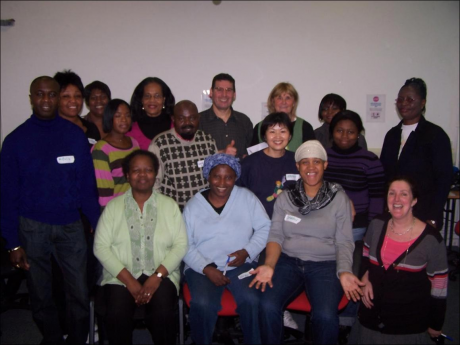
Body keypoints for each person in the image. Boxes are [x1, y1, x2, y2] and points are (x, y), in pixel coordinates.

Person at [0, 76, 100, 344]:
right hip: (32, 228)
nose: (46, 100)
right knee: (40, 294)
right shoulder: (15, 141)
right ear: (31, 97)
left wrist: (96, 222)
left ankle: (78, 339)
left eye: (51, 95)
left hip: (70, 226)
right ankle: (53, 339)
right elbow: (7, 195)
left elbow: (86, 186)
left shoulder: (74, 136)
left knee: (79, 292)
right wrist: (12, 243)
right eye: (40, 94)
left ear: (57, 97)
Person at [250, 140, 365, 344]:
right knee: (267, 305)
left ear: (325, 165)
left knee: (325, 315)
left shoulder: (339, 199)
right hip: (288, 261)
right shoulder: (285, 197)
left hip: (326, 264)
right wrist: (269, 264)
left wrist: (345, 270)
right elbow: (276, 235)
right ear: (298, 167)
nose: (311, 167)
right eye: (305, 162)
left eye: (316, 162)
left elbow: (345, 241)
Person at [94, 150, 188, 345]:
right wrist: (129, 281)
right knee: (117, 313)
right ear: (127, 175)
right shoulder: (113, 207)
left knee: (163, 312)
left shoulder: (169, 206)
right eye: (136, 170)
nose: (143, 175)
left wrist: (157, 276)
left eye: (148, 170)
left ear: (155, 174)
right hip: (120, 276)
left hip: (161, 274)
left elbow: (180, 245)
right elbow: (100, 247)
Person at [183, 153, 271, 344]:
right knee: (203, 304)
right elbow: (185, 244)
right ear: (208, 176)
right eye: (216, 176)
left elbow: (265, 227)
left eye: (228, 177)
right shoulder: (193, 206)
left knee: (252, 300)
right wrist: (206, 268)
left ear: (235, 178)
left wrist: (247, 251)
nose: (222, 182)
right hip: (202, 269)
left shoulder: (247, 198)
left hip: (241, 266)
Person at [350, 176, 448, 344]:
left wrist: (435, 324)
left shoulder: (431, 239)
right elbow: (365, 255)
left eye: (404, 194)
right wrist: (364, 278)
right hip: (370, 317)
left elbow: (439, 286)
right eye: (391, 193)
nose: (396, 199)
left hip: (407, 324)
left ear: (414, 200)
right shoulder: (376, 224)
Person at [380, 77, 453, 231]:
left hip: (423, 213)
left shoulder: (435, 135)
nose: (404, 103)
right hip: (394, 212)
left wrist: (433, 216)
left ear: (422, 102)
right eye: (400, 99)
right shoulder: (392, 135)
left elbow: (444, 180)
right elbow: (385, 176)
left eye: (410, 99)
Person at [325, 110, 385, 243]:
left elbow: (377, 199)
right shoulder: (322, 157)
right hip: (324, 226)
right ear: (332, 132)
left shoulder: (370, 160)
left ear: (358, 134)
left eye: (350, 132)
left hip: (356, 228)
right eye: (339, 130)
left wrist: (372, 229)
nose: (344, 136)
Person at [148, 100, 218, 210]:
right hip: (173, 213)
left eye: (192, 118)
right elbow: (153, 184)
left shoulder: (208, 140)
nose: (187, 123)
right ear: (173, 119)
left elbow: (216, 176)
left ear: (198, 118)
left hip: (205, 211)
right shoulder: (160, 144)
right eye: (181, 118)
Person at [238, 112, 298, 219]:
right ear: (265, 136)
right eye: (272, 132)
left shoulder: (297, 161)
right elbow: (238, 197)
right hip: (259, 225)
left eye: (283, 131)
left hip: (290, 226)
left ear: (290, 135)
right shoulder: (249, 163)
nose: (278, 136)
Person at [92, 99, 140, 208]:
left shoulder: (134, 143)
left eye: (127, 115)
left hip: (135, 207)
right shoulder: (101, 149)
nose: (124, 120)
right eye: (118, 116)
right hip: (116, 210)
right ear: (109, 118)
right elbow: (104, 191)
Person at [199, 73, 253, 159]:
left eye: (228, 90)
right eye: (219, 89)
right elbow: (194, 160)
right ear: (211, 92)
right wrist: (221, 153)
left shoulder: (244, 121)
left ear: (234, 94)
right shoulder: (198, 121)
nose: (224, 94)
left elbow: (251, 155)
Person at [250, 82, 315, 152]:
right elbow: (253, 157)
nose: (283, 102)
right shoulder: (260, 127)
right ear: (272, 101)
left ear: (294, 102)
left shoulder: (305, 127)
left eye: (288, 98)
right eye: (279, 98)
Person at [54, 69, 101, 147]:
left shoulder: (91, 128)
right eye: (66, 96)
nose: (73, 101)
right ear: (56, 99)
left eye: (77, 96)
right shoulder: (48, 128)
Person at [126, 77, 175, 150]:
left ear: (164, 99)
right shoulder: (130, 129)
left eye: (157, 96)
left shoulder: (175, 126)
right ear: (141, 99)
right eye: (147, 96)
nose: (152, 100)